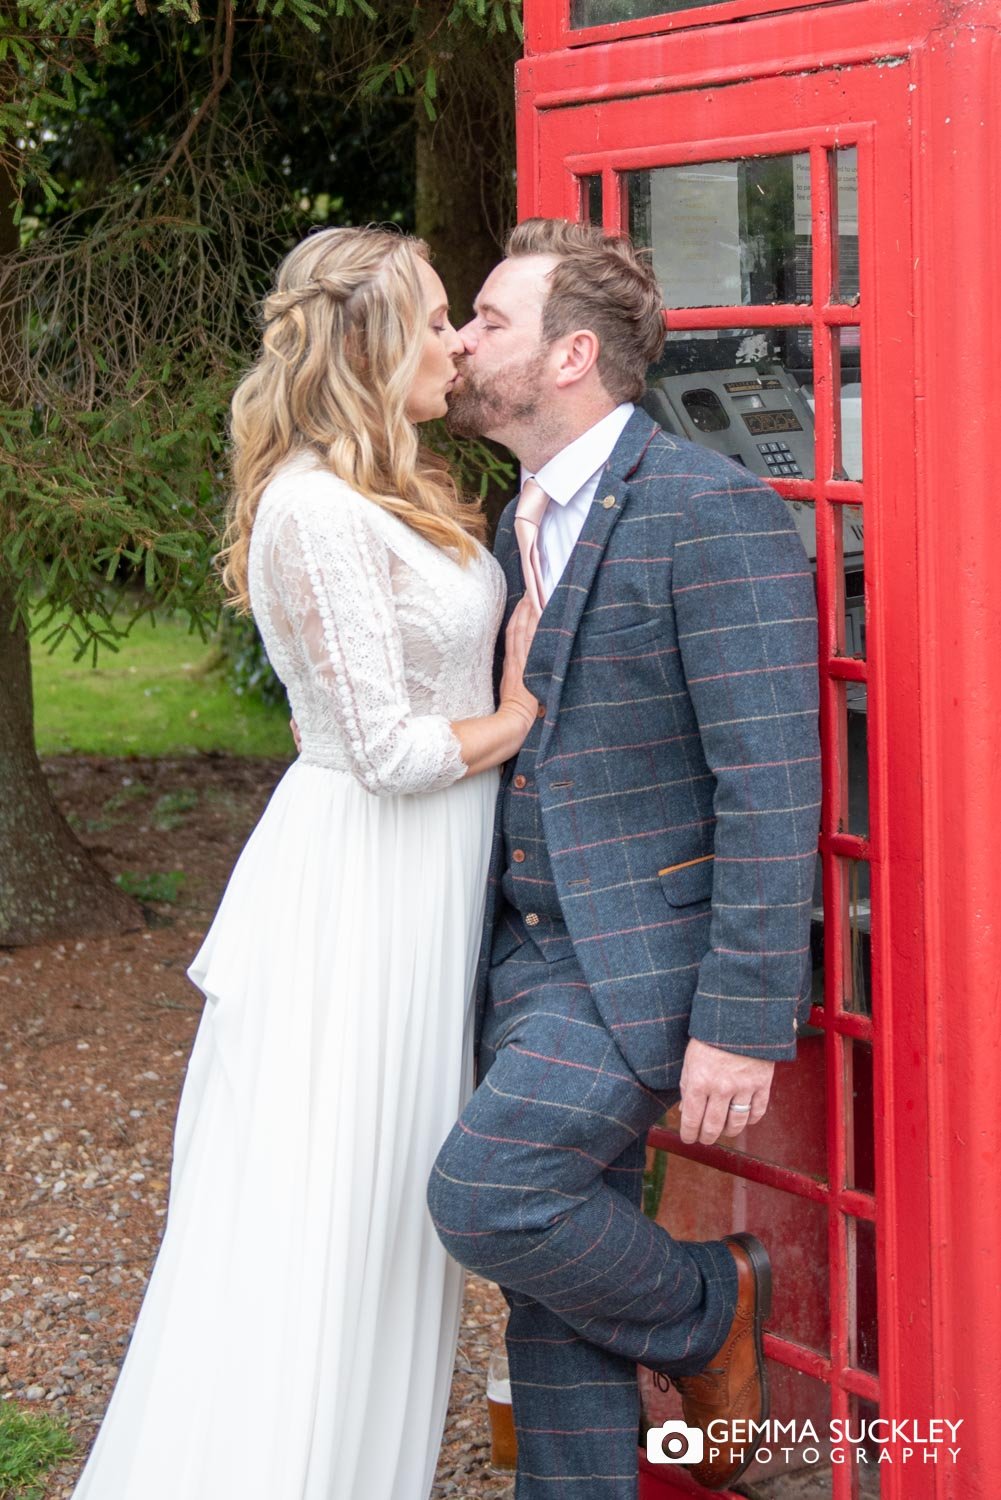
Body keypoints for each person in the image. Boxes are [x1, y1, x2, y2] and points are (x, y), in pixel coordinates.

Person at [69, 226, 540, 1500]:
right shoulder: (314, 508)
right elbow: (386, 749)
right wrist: (518, 705)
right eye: (438, 316)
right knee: (323, 1211)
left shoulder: (387, 486)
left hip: (421, 882)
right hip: (361, 895)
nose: (455, 339)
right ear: (366, 341)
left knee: (388, 1217)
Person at [428, 218, 821, 1496]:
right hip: (527, 950)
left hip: (649, 964)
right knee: (552, 1292)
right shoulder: (516, 515)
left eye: (487, 318)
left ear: (568, 356)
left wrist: (741, 1024)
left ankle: (709, 1306)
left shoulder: (712, 514)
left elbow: (768, 784)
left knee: (490, 1199)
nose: (459, 337)